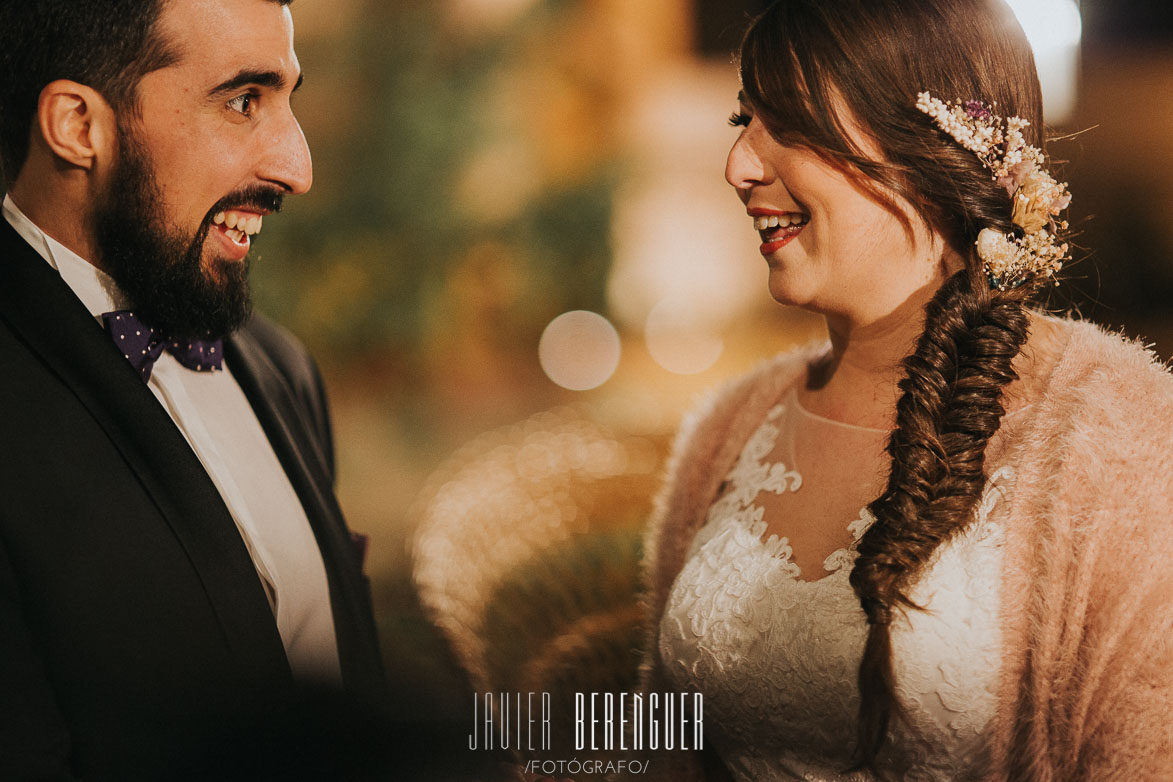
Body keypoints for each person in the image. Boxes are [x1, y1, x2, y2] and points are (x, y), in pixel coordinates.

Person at [636, 0, 1173, 779]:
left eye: (786, 123)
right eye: (740, 119)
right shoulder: (729, 424)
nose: (738, 166)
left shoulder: (1121, 438)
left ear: (930, 149)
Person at [0, 0, 386, 778]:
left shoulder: (282, 369)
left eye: (288, 99)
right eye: (243, 101)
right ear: (78, 126)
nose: (297, 168)